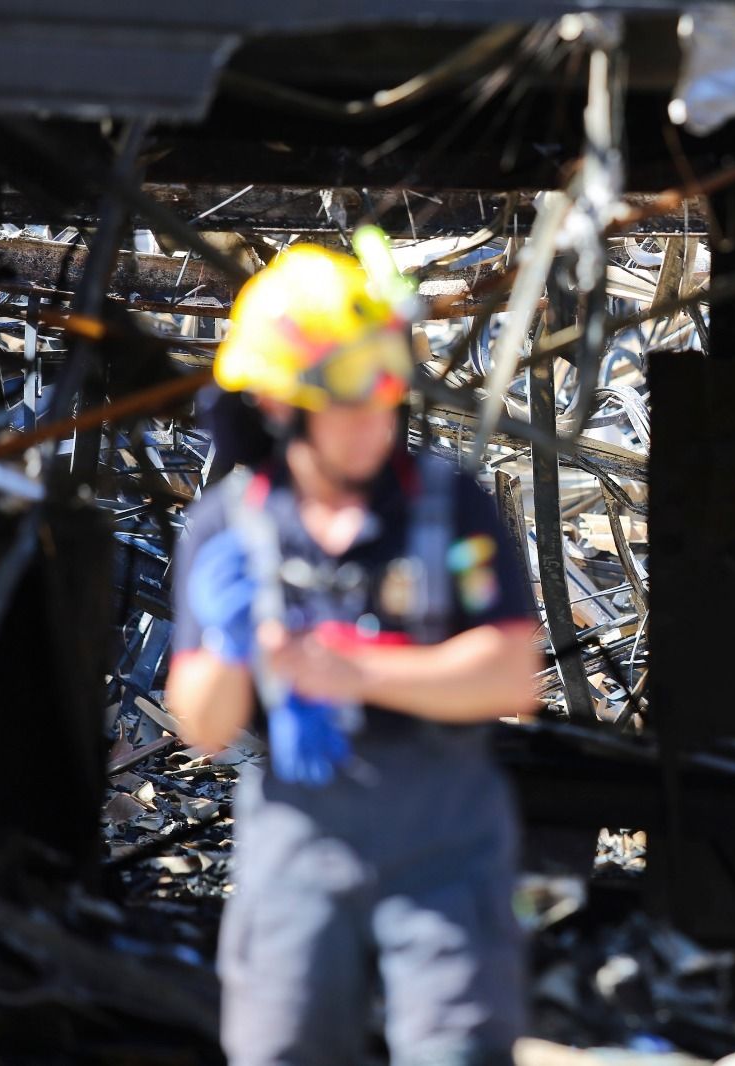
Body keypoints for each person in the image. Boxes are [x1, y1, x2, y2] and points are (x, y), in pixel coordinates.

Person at [166, 241, 542, 1066]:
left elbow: (511, 673)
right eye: (351, 393)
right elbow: (200, 723)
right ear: (282, 404)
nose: (379, 412)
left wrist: (354, 668)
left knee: (460, 1049)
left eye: (387, 385)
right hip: (298, 840)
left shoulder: (447, 507)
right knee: (285, 1047)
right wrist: (234, 646)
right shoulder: (229, 530)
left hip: (444, 835)